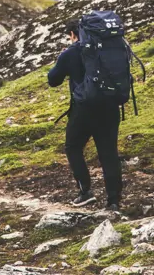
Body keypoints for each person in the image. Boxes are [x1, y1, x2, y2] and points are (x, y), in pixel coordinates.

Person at [47, 18, 123, 211]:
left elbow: (53, 80)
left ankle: (85, 192)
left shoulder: (70, 53)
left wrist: (64, 61)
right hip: (110, 107)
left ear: (73, 35)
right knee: (109, 154)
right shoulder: (109, 48)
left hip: (85, 109)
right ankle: (113, 201)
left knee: (73, 147)